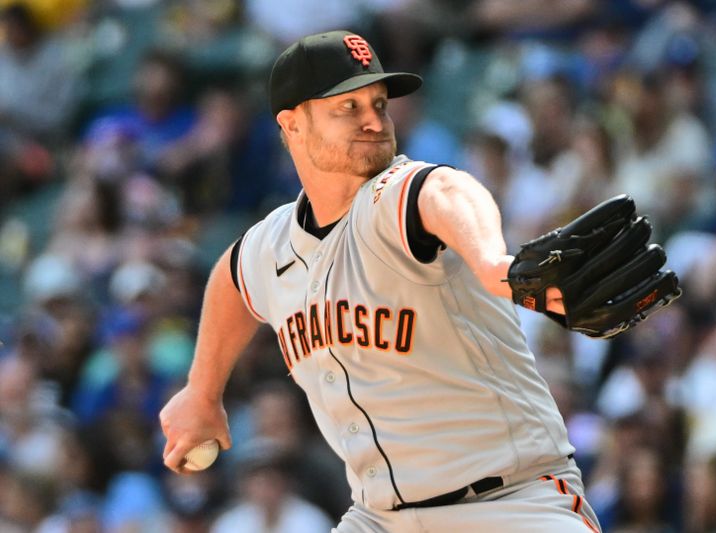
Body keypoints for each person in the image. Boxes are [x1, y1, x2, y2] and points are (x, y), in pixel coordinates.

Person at [160, 30, 601, 532]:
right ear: (293, 123)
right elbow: (233, 280)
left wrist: (490, 260)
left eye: (379, 104)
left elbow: (445, 189)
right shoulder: (274, 243)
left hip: (509, 504)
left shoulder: (393, 196)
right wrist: (202, 390)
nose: (374, 121)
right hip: (381, 518)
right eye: (348, 107)